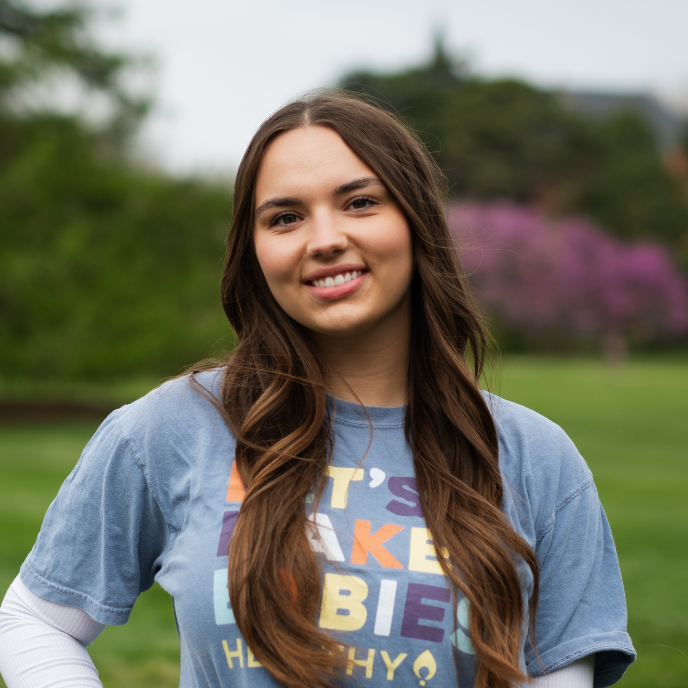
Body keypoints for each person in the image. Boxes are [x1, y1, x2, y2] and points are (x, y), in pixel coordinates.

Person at [0, 92, 635, 688]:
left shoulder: (537, 457)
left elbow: (561, 669)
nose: (325, 239)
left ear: (415, 221)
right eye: (285, 217)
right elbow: (34, 619)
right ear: (254, 251)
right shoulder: (172, 428)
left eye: (360, 202)